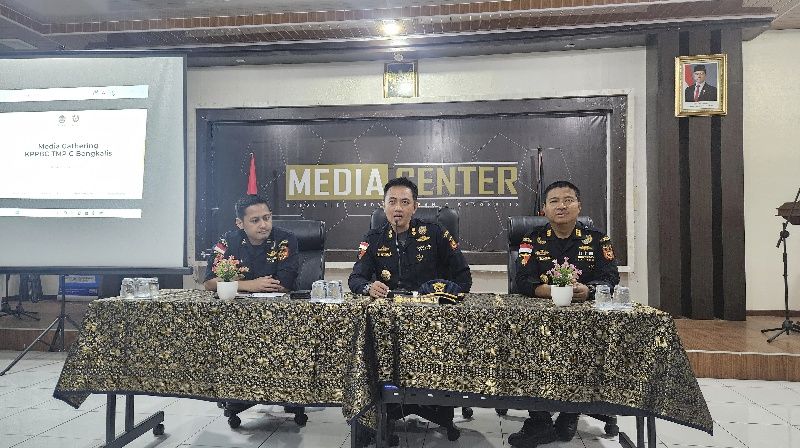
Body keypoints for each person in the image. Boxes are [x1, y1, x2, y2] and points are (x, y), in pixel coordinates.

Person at [509, 180, 619, 448]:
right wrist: (549, 291)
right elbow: (521, 280)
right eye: (554, 201)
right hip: (540, 321)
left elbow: (611, 278)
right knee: (523, 346)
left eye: (568, 200)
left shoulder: (598, 239)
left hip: (584, 321)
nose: (561, 206)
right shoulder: (531, 240)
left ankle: (570, 413)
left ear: (579, 206)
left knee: (587, 349)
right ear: (544, 209)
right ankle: (540, 420)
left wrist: (588, 290)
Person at [348, 176, 472, 297]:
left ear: (415, 207)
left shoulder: (436, 232)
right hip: (389, 306)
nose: (398, 208)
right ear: (384, 206)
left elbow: (463, 277)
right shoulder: (372, 238)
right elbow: (356, 278)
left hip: (429, 305)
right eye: (392, 202)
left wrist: (446, 298)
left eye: (405, 202)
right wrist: (369, 288)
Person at [204, 195, 299, 293]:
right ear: (240, 223)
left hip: (277, 301)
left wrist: (231, 283)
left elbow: (285, 284)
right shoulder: (226, 241)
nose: (263, 225)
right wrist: (249, 285)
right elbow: (209, 283)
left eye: (266, 218)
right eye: (255, 221)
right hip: (237, 301)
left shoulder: (285, 239)